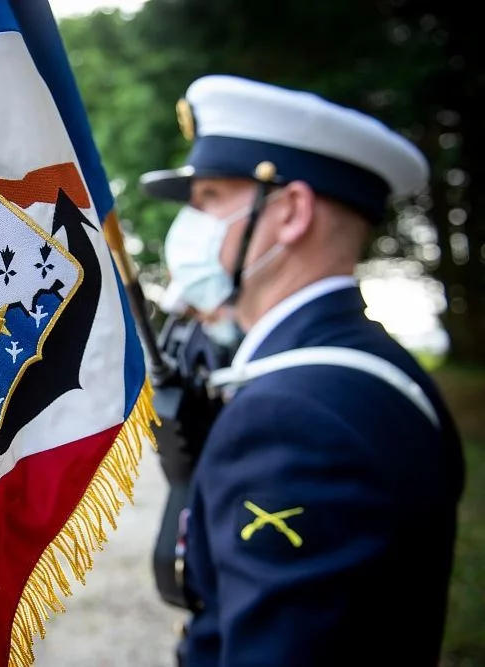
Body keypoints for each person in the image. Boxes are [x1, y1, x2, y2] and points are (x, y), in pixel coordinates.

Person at [139, 75, 465, 666]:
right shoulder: (368, 369)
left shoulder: (291, 415)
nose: (187, 225)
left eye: (208, 198)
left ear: (290, 213)